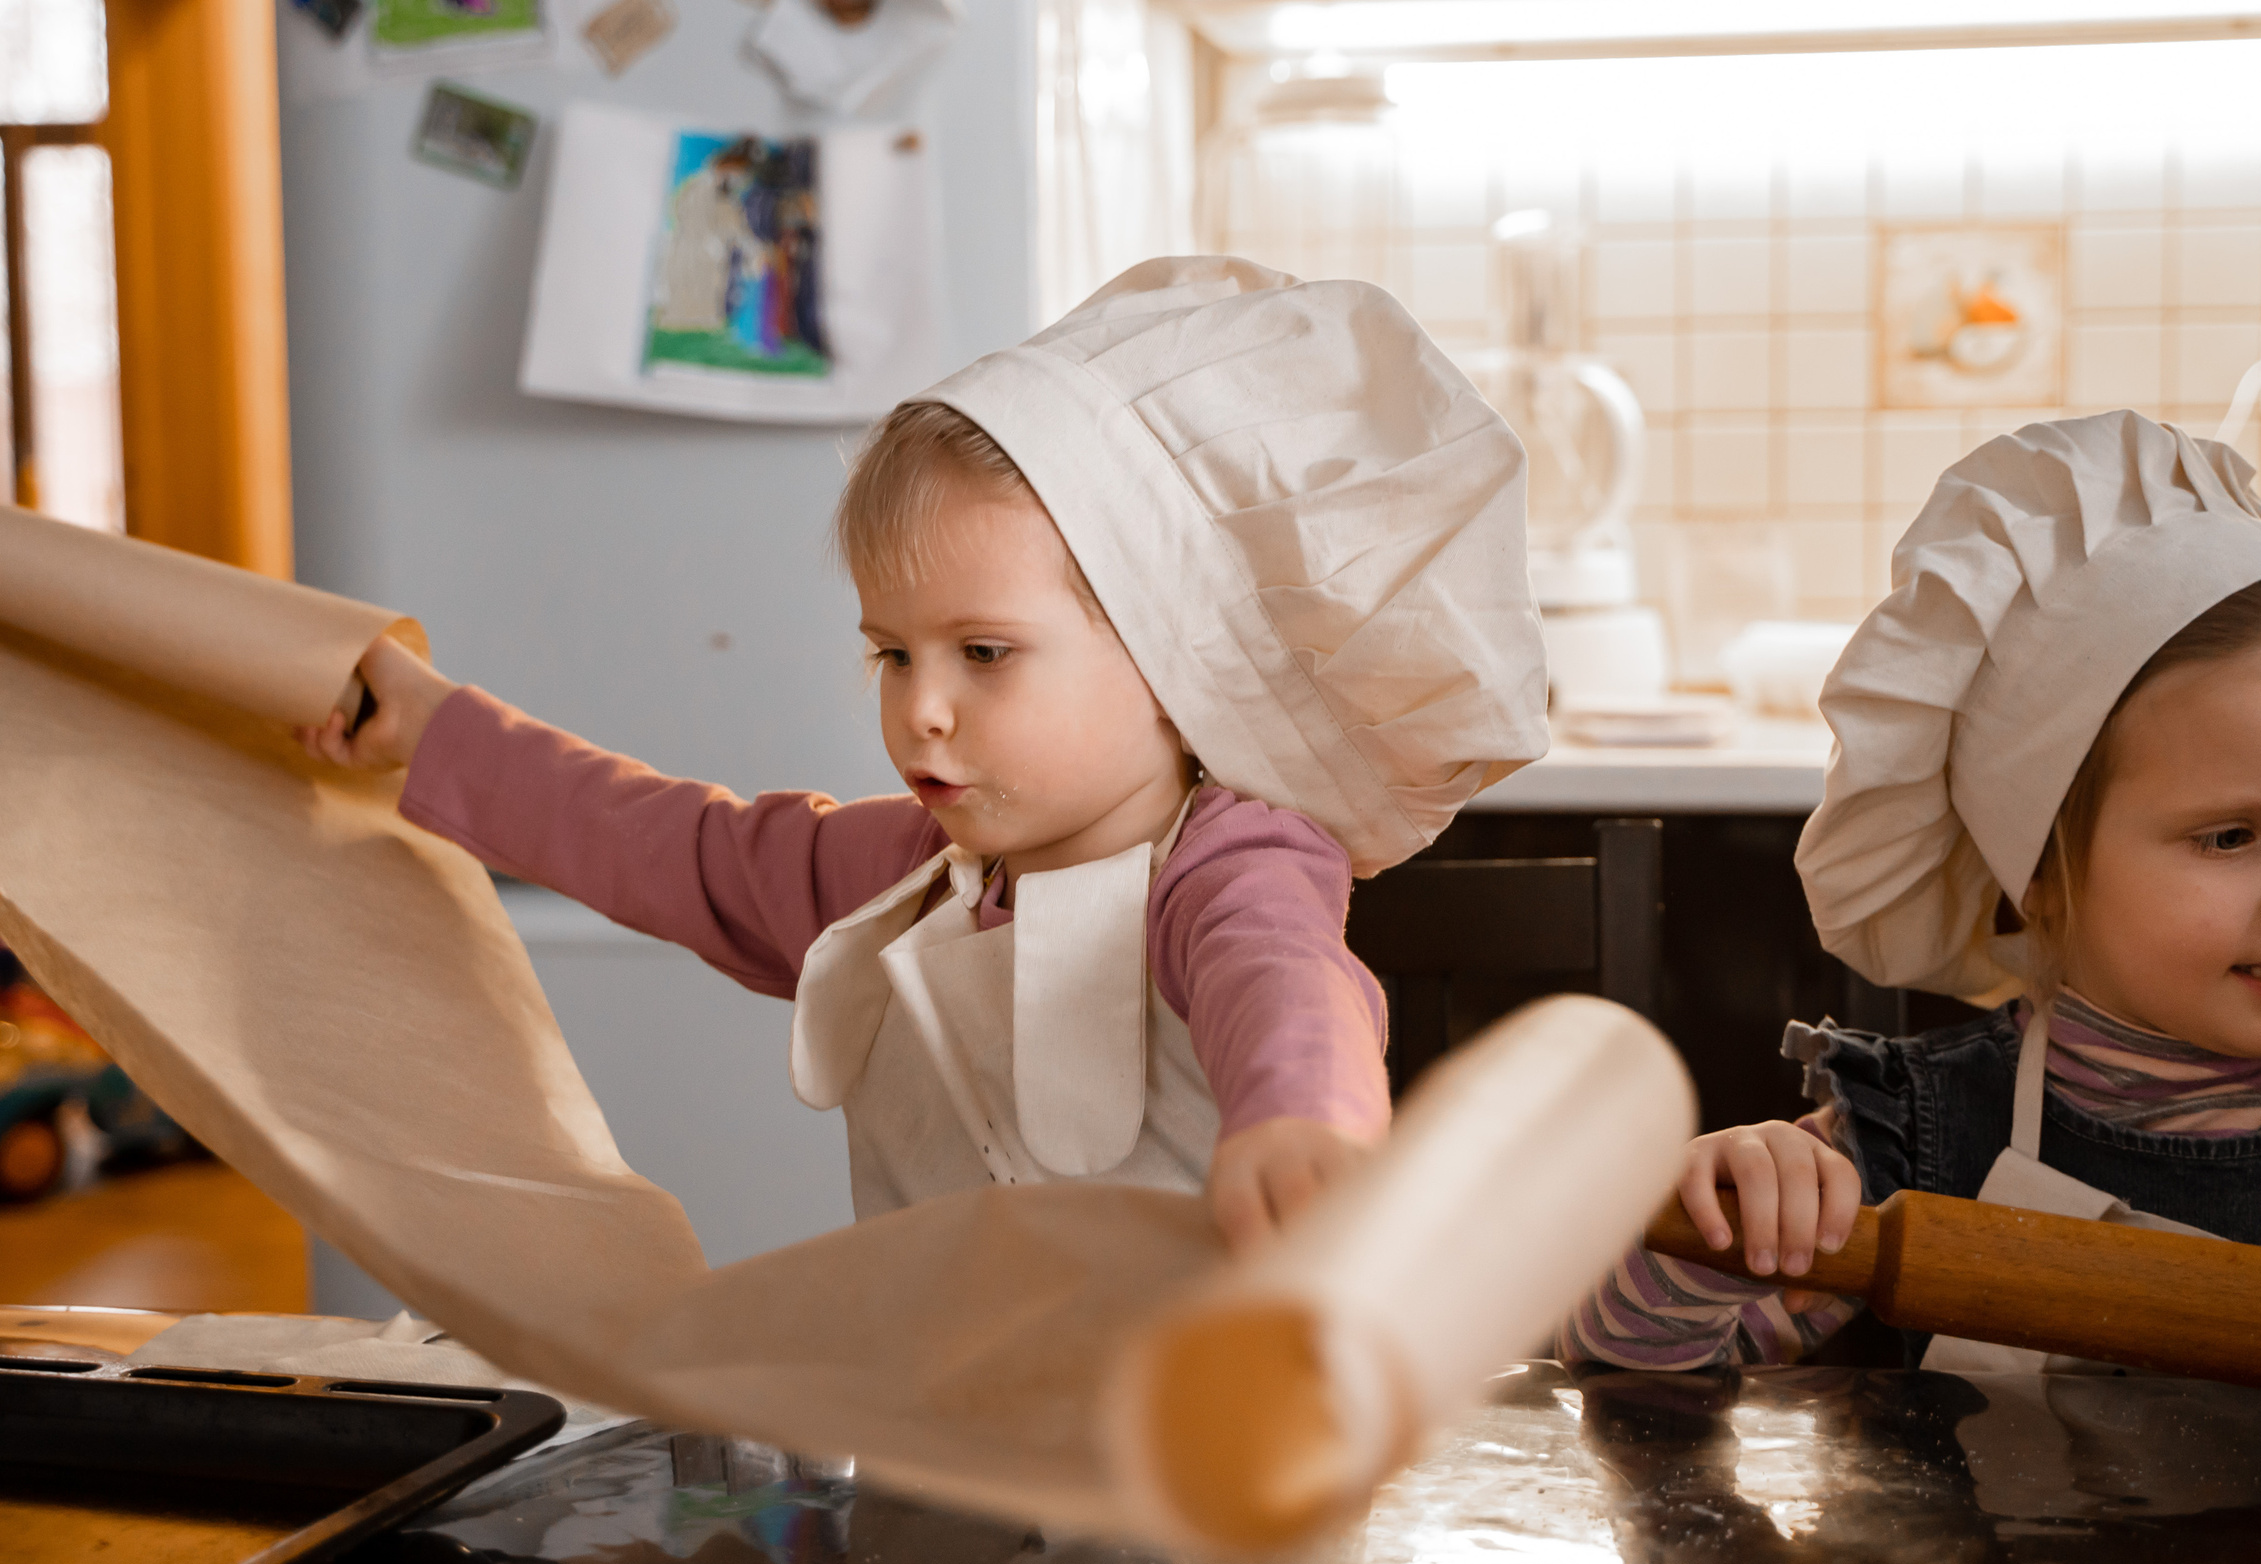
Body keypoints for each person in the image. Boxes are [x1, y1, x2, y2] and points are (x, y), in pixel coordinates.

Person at [303, 257, 1547, 1250]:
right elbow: (667, 844)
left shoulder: (1221, 866)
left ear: (1176, 669)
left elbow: (1281, 984)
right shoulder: (905, 874)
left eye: (985, 655)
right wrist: (432, 724)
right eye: (892, 656)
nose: (921, 712)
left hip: (1197, 1480)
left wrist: (1306, 1125)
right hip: (955, 1462)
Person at [1564, 410, 2261, 1371]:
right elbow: (1617, 1366)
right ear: (2039, 872)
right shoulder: (1898, 1154)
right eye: (2231, 835)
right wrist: (1698, 1235)